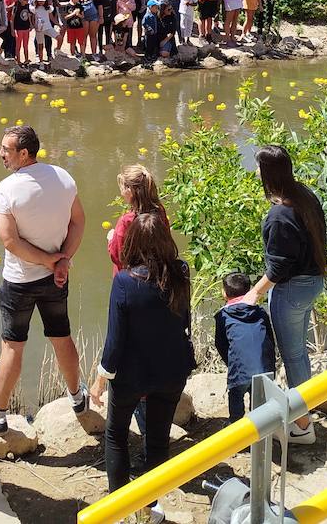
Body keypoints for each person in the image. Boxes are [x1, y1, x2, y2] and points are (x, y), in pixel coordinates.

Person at [0, 125, 89, 436]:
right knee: (61, 336)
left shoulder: (7, 189)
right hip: (55, 279)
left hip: (19, 282)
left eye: (5, 150)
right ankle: (78, 398)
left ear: (24, 153)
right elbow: (79, 221)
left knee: (13, 346)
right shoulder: (63, 177)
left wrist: (53, 261)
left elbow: (10, 242)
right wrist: (61, 259)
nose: (0, 155)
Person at [89, 213, 195, 524]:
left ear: (132, 242)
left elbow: (115, 340)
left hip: (132, 375)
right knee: (158, 440)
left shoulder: (124, 281)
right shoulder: (182, 272)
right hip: (171, 370)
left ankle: (119, 508)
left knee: (117, 434)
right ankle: (150, 506)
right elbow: (184, 322)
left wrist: (100, 381)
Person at [240, 145, 327, 444]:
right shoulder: (304, 195)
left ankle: (302, 426)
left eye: (257, 167)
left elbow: (279, 266)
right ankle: (305, 412)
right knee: (298, 353)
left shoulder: (279, 214)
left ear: (267, 173)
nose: (255, 172)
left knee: (292, 356)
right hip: (313, 282)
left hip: (292, 291)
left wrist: (254, 292)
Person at [215, 272, 275, 423]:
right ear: (249, 291)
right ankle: (259, 433)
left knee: (235, 397)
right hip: (264, 369)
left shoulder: (223, 316)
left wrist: (231, 362)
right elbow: (269, 339)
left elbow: (220, 344)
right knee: (259, 407)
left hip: (239, 371)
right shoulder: (261, 312)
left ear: (224, 293)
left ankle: (236, 428)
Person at [106, 165, 169, 273]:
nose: (121, 193)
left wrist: (111, 239)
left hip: (129, 279)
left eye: (122, 188)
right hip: (156, 275)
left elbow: (117, 256)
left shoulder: (126, 221)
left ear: (130, 191)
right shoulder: (160, 212)